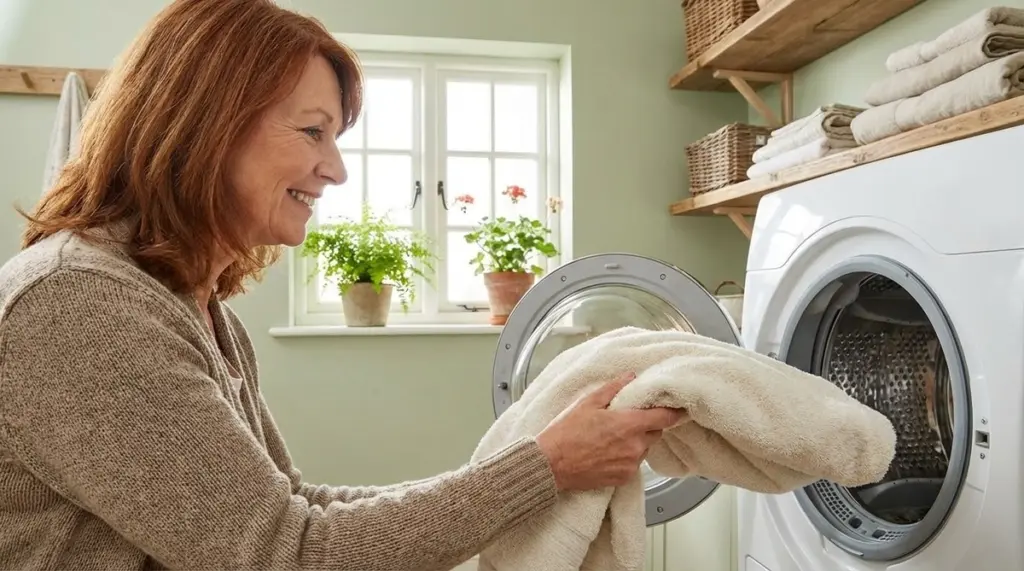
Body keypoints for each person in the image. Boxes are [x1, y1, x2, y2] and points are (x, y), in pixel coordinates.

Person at [0, 0, 683, 569]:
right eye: (312, 131)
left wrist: (529, 467)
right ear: (206, 127)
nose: (336, 170)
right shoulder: (82, 306)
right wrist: (544, 467)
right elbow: (290, 554)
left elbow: (294, 507)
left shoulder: (197, 309)